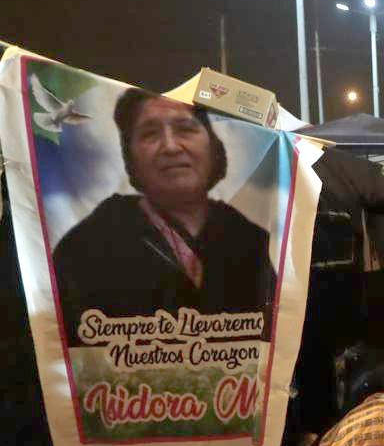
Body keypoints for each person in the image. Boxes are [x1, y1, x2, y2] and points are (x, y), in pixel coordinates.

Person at [52, 89, 275, 328]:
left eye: (185, 129)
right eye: (150, 134)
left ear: (213, 147)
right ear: (130, 157)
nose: (170, 147)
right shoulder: (85, 249)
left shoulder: (252, 242)